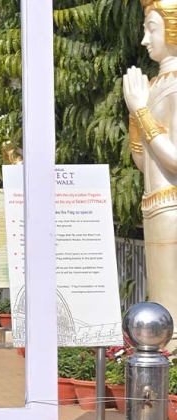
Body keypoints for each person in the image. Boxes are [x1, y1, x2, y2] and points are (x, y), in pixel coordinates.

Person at [123, 0, 177, 349]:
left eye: (151, 29)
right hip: (155, 202)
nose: (144, 39)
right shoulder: (158, 83)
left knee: (173, 300)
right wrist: (134, 113)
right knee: (161, 295)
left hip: (173, 206)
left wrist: (140, 111)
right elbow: (145, 163)